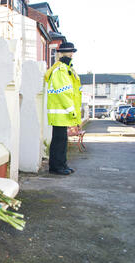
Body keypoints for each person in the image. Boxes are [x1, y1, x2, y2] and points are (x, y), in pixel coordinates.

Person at [44, 42, 82, 175]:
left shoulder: (66, 69)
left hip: (62, 112)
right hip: (61, 112)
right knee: (59, 141)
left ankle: (62, 164)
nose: (71, 55)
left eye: (72, 52)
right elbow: (63, 93)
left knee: (62, 141)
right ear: (65, 53)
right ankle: (56, 167)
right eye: (70, 52)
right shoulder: (61, 70)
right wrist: (72, 111)